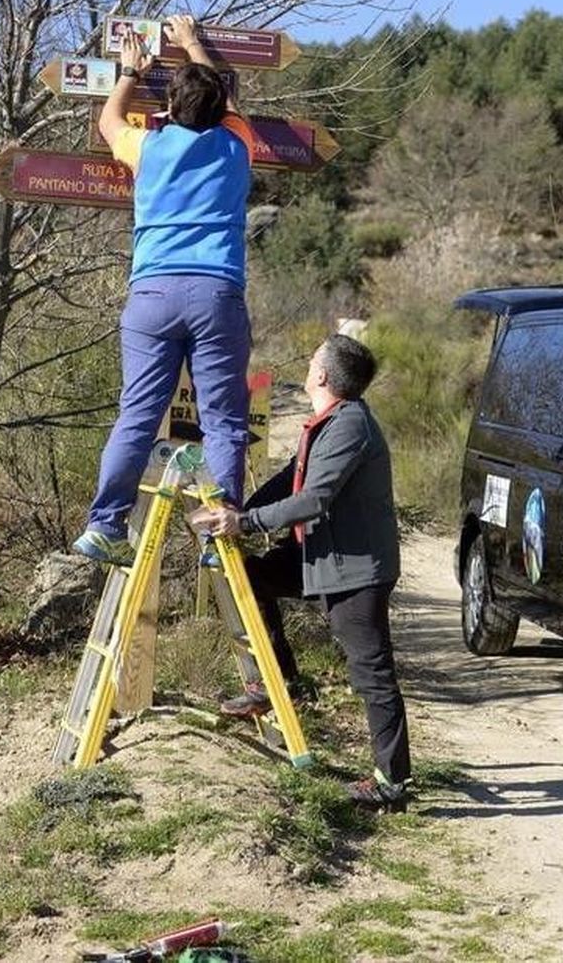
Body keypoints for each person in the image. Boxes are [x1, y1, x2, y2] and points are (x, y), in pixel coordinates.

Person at [190, 334, 412, 812]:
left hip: (355, 570)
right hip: (322, 556)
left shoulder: (351, 425)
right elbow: (293, 475)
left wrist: (244, 523)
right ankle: (278, 682)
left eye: (313, 361)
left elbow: (314, 499)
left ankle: (393, 784)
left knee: (372, 675)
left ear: (322, 377)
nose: (308, 365)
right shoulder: (329, 423)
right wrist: (240, 508)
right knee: (248, 579)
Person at [73, 14, 258, 565]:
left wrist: (130, 72)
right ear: (220, 109)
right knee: (224, 419)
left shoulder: (148, 148)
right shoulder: (235, 144)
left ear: (170, 110)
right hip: (216, 292)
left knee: (137, 414)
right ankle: (216, 535)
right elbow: (221, 99)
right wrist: (195, 43)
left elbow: (108, 119)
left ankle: (105, 526)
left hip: (152, 294)